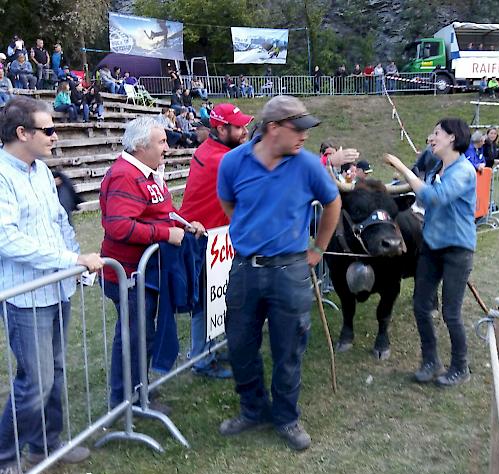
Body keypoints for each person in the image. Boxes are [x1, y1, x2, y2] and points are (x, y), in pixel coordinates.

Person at [217, 96, 341, 451]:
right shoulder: (232, 163)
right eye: (298, 129)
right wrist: (252, 233)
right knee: (240, 345)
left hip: (290, 270)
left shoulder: (307, 165)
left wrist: (317, 249)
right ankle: (252, 409)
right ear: (273, 128)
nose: (304, 136)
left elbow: (333, 203)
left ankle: (286, 417)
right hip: (244, 269)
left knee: (289, 348)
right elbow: (230, 205)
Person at [0, 96, 104, 474]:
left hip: (55, 290)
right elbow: (6, 239)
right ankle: (4, 455)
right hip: (24, 295)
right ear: (22, 132)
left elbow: (60, 219)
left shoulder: (41, 171)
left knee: (56, 372)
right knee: (35, 381)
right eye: (48, 130)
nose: (56, 136)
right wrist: (66, 259)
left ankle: (46, 443)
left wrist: (74, 259)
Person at [100, 117, 205, 412]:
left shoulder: (148, 173)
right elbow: (119, 226)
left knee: (143, 335)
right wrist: (165, 234)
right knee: (134, 336)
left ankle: (138, 392)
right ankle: (126, 402)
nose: (168, 148)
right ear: (140, 145)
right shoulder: (124, 175)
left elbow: (164, 212)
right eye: (161, 142)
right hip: (128, 274)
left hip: (145, 272)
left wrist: (185, 225)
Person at [383, 118, 476, 387]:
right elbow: (423, 195)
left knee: (451, 312)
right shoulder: (438, 167)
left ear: (452, 138)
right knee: (421, 305)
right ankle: (431, 360)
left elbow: (435, 197)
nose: (431, 137)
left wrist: (401, 168)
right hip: (431, 247)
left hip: (457, 250)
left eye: (436, 133)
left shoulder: (463, 171)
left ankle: (460, 367)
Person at [180, 103, 255, 379]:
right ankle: (201, 358)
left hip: (214, 237)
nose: (245, 130)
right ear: (221, 128)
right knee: (203, 303)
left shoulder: (217, 151)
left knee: (216, 297)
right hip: (202, 238)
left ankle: (209, 348)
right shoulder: (221, 159)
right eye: (239, 127)